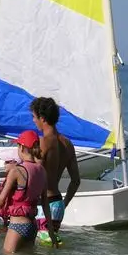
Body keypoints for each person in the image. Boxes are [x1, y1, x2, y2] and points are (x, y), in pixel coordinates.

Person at [0, 130, 56, 253]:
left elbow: (0, 200)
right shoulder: (42, 171)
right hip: (33, 226)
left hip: (18, 225)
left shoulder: (17, 171)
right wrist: (51, 233)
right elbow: (45, 204)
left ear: (21, 147)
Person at [29, 97, 79, 240]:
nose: (33, 121)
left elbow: (34, 173)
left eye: (34, 117)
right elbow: (76, 181)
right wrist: (64, 204)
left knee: (40, 250)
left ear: (42, 118)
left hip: (43, 204)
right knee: (50, 244)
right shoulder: (68, 144)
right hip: (57, 203)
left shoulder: (42, 142)